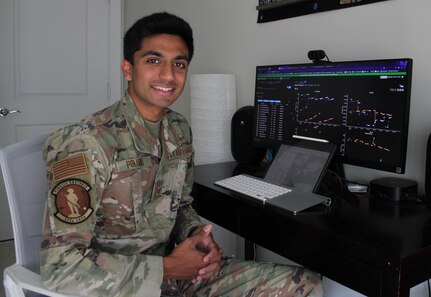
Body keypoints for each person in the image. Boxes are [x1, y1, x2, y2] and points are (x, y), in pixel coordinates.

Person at [40, 11, 323, 297]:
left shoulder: (178, 129)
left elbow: (180, 205)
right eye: (153, 61)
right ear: (128, 69)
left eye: (179, 64)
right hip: (120, 285)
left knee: (305, 285)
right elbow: (60, 269)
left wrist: (197, 237)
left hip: (177, 275)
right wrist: (167, 268)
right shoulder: (87, 144)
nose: (168, 75)